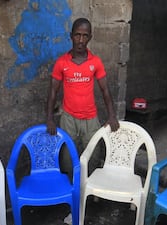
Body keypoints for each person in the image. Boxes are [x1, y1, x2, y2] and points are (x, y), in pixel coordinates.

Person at [46, 17, 120, 173]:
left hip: (91, 119)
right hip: (68, 118)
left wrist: (112, 116)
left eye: (85, 36)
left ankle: (90, 193)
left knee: (93, 156)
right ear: (71, 35)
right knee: (66, 157)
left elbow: (105, 90)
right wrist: (50, 119)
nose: (80, 40)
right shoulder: (61, 63)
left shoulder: (96, 62)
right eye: (77, 35)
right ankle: (71, 189)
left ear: (90, 38)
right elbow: (53, 91)